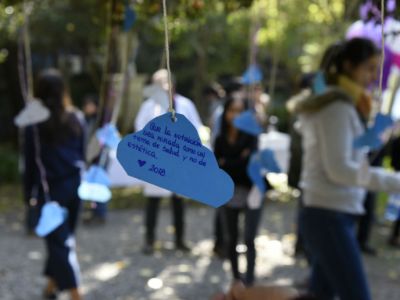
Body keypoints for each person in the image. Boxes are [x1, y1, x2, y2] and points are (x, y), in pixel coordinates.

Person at [288, 37, 400, 300]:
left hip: (331, 213)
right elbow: (339, 170)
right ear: (349, 66)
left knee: (319, 295)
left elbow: (347, 157)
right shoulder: (335, 107)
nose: (374, 76)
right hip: (328, 215)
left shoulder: (340, 104)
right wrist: (394, 181)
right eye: (369, 68)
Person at [23, 69, 84, 300]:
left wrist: (28, 195)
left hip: (50, 192)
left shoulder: (34, 124)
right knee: (62, 239)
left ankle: (77, 292)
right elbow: (81, 154)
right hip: (74, 187)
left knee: (59, 244)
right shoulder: (76, 118)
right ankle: (51, 287)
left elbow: (30, 164)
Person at [135, 69, 203, 254]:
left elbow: (196, 129)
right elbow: (140, 130)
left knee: (179, 202)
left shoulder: (185, 105)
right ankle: (149, 240)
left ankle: (180, 239)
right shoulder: (149, 106)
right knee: (153, 202)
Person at [214, 97, 259, 286]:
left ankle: (249, 281)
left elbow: (247, 166)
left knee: (249, 238)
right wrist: (238, 161)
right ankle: (235, 279)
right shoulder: (220, 139)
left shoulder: (252, 137)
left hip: (252, 192)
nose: (235, 115)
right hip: (227, 193)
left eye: (240, 111)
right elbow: (217, 167)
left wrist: (228, 163)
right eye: (232, 110)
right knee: (231, 238)